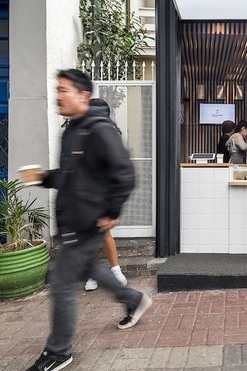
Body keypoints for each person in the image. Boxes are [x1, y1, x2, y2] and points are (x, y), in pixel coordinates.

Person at [20, 69, 152, 371]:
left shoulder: (99, 130)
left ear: (83, 96)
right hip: (75, 219)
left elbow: (125, 175)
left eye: (63, 90)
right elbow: (72, 176)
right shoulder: (72, 130)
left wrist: (111, 212)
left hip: (86, 221)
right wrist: (43, 177)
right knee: (89, 268)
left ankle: (58, 351)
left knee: (61, 284)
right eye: (57, 90)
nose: (57, 95)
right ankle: (132, 299)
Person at [83, 98, 127, 291]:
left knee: (102, 232)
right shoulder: (81, 132)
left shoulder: (110, 132)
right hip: (86, 191)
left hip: (101, 190)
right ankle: (96, 274)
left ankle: (115, 271)